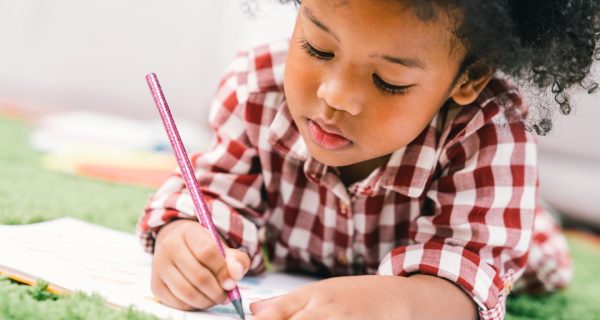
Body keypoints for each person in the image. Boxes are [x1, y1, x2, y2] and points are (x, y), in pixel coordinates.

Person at [137, 0, 599, 319]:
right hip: (318, 250)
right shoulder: (255, 88)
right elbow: (214, 192)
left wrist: (396, 304)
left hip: (499, 227)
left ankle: (541, 213)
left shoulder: (489, 132)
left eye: (388, 80)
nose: (334, 96)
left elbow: (472, 277)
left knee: (537, 253)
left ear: (469, 78)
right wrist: (187, 240)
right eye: (318, 48)